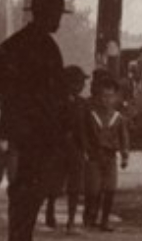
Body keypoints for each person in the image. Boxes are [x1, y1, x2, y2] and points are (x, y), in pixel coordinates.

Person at [0, 0, 68, 241]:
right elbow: (57, 93)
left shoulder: (16, 42)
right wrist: (21, 101)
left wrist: (12, 101)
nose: (59, 20)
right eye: (58, 15)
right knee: (29, 191)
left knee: (23, 191)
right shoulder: (47, 47)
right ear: (47, 14)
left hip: (20, 129)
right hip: (38, 132)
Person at [41, 67, 89, 233]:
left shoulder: (83, 103)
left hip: (76, 149)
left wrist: (85, 147)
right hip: (58, 148)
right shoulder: (55, 102)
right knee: (55, 184)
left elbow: (86, 127)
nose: (82, 85)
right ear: (70, 83)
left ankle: (70, 221)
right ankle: (50, 209)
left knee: (75, 187)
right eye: (79, 82)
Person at [80, 80, 129, 232]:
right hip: (95, 156)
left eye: (110, 96)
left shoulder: (118, 117)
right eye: (104, 96)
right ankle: (89, 216)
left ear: (115, 98)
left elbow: (124, 137)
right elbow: (85, 135)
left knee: (110, 189)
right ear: (98, 98)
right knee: (93, 189)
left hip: (110, 157)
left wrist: (125, 154)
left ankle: (105, 220)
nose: (107, 100)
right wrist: (86, 151)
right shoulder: (91, 115)